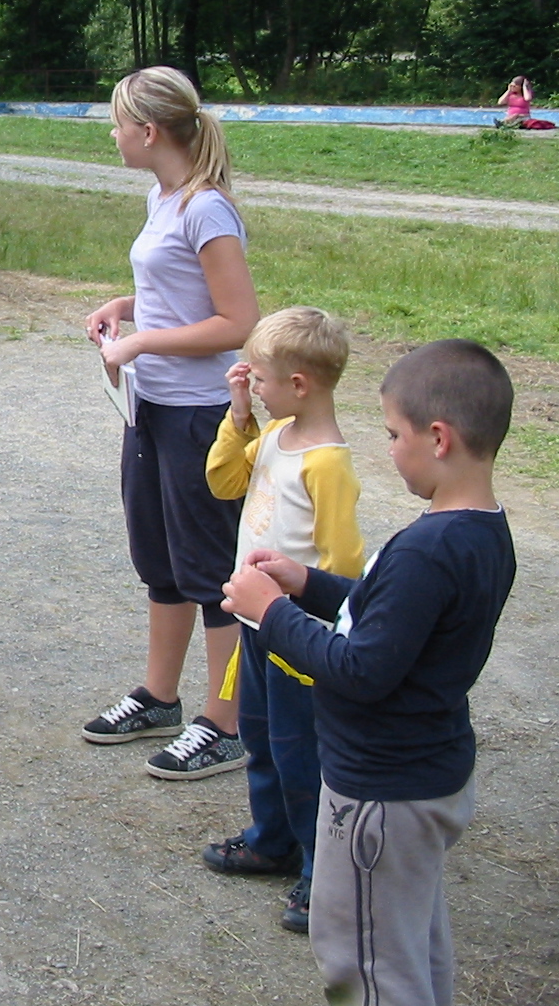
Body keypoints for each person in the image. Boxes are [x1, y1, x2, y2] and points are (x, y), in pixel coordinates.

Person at [223, 339, 516, 1006]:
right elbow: (392, 618)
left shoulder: (427, 550)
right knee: (410, 948)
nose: (387, 449)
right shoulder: (480, 532)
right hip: (427, 774)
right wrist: (307, 583)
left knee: (367, 962)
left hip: (380, 794)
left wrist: (271, 613)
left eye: (392, 434)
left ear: (437, 438)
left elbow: (360, 670)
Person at [81, 65, 260, 780]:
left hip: (199, 417)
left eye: (119, 123)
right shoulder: (163, 198)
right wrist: (124, 307)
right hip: (150, 409)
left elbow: (237, 321)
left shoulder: (207, 209)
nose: (114, 135)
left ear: (150, 131)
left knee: (210, 571)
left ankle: (226, 722)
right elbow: (179, 290)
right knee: (160, 561)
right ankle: (160, 697)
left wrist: (142, 342)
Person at [200, 307, 363, 933]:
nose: (253, 385)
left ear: (299, 384)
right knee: (261, 737)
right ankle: (273, 839)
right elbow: (224, 483)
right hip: (257, 624)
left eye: (261, 380)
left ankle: (324, 871)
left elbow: (342, 561)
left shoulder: (327, 463)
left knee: (304, 754)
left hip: (297, 635)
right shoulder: (272, 434)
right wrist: (239, 415)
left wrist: (315, 630)